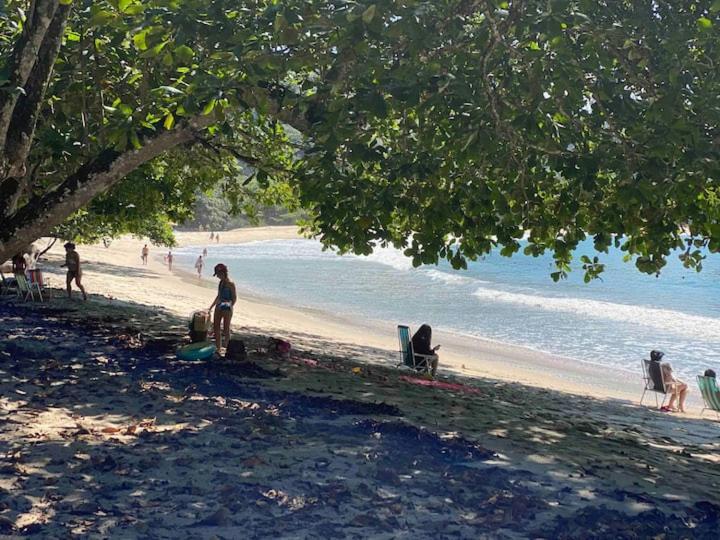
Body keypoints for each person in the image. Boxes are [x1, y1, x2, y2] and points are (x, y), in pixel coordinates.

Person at [209, 263, 237, 354]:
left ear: (223, 273)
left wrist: (229, 305)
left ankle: (227, 347)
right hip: (219, 306)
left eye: (218, 274)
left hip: (227, 308)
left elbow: (234, 298)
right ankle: (218, 348)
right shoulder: (220, 283)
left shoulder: (231, 284)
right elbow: (218, 295)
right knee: (216, 327)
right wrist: (211, 307)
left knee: (226, 329)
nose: (217, 276)